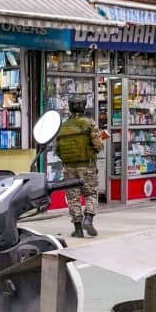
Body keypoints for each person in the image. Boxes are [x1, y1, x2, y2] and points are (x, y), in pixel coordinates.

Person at [55, 95, 104, 238]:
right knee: (90, 194)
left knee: (73, 197)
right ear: (84, 106)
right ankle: (88, 218)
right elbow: (98, 146)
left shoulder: (63, 126)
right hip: (87, 166)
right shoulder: (90, 124)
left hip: (69, 168)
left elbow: (58, 150)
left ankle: (77, 229)